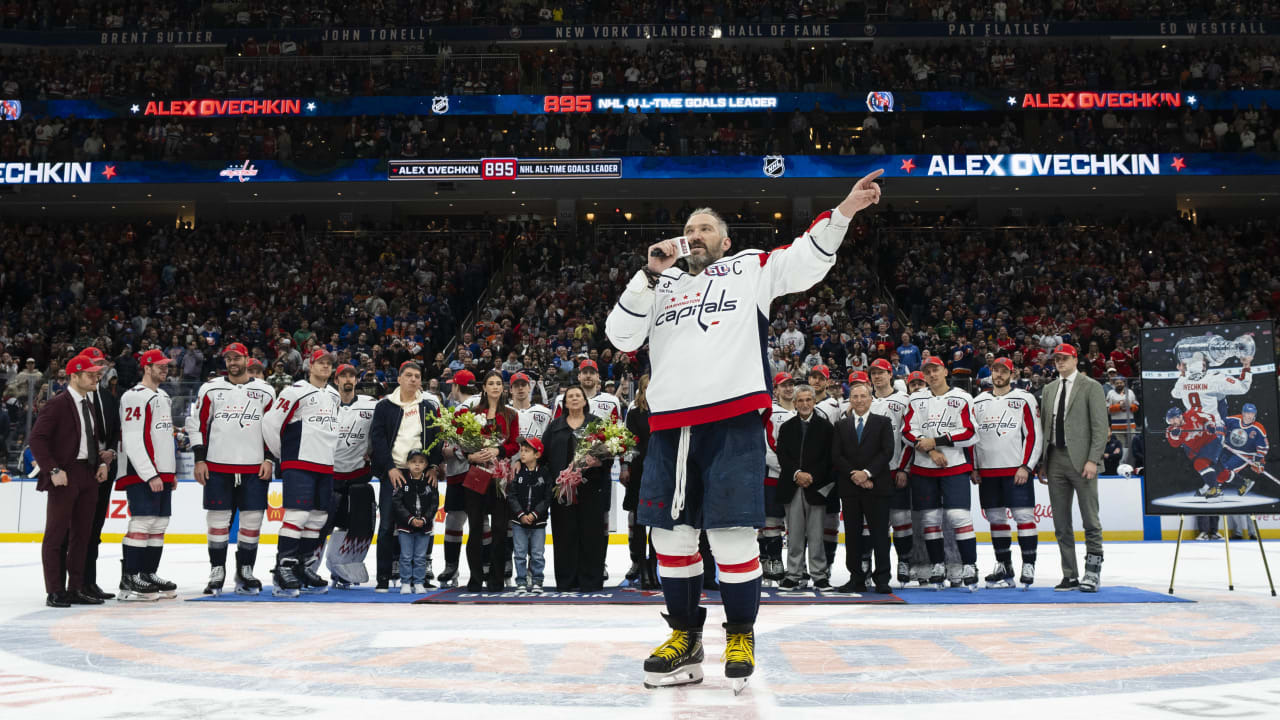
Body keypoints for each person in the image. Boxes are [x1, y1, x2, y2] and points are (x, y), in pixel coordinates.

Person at [606, 171, 883, 692]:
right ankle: (685, 639)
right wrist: (647, 274)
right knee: (669, 536)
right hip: (671, 426)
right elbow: (620, 336)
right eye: (689, 229)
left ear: (725, 241)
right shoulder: (661, 285)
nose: (695, 235)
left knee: (732, 536)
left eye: (706, 228)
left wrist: (844, 210)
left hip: (732, 420)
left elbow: (805, 260)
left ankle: (740, 635)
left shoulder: (748, 268)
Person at [188, 342, 277, 596]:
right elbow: (197, 424)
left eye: (237, 357)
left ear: (247, 359)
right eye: (228, 358)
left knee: (252, 519)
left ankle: (245, 570)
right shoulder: (210, 388)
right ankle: (217, 570)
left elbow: (273, 428)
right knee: (217, 519)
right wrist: (199, 459)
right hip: (217, 465)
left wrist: (269, 459)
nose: (232, 362)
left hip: (254, 466)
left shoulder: (265, 390)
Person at [29, 354, 113, 607]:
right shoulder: (58, 404)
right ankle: (55, 590)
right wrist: (53, 469)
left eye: (97, 374)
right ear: (74, 376)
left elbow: (92, 440)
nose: (96, 378)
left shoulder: (88, 404)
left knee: (82, 535)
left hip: (88, 474)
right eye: (90, 374)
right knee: (56, 535)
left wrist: (100, 464)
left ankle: (75, 587)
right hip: (65, 475)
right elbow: (37, 439)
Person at [262, 348, 341, 597]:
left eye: (329, 363)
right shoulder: (294, 391)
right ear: (310, 365)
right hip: (299, 462)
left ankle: (303, 566)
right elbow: (270, 423)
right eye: (321, 362)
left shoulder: (334, 395)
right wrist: (283, 455)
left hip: (324, 464)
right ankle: (283, 569)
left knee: (317, 518)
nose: (325, 366)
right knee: (297, 516)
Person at [898, 356, 980, 590]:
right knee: (930, 519)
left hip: (954, 466)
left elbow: (970, 433)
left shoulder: (962, 397)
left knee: (958, 516)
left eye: (936, 370)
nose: (932, 374)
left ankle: (969, 565)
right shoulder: (916, 399)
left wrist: (937, 441)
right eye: (927, 371)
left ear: (945, 371)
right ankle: (937, 565)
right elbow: (907, 431)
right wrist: (931, 449)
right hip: (924, 467)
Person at [1038, 343, 1109, 593]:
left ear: (1075, 359)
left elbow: (1100, 427)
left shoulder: (1091, 386)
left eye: (1064, 358)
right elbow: (1045, 427)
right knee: (1061, 522)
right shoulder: (1049, 389)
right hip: (1054, 458)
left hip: (1082, 460)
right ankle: (1069, 574)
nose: (1060, 362)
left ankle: (1093, 572)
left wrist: (1093, 459)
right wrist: (1043, 462)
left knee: (1090, 519)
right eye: (1056, 359)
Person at [370, 361, 444, 591]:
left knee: (424, 522)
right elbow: (378, 440)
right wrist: (389, 468)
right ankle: (383, 576)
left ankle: (422, 574)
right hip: (394, 471)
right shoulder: (385, 406)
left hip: (420, 473)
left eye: (417, 376)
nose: (413, 379)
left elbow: (437, 439)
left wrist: (433, 466)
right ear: (399, 378)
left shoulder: (428, 407)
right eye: (409, 375)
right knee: (387, 525)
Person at [972, 357, 1043, 589]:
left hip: (1016, 470)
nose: (999, 374)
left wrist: (1027, 466)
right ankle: (1004, 565)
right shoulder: (979, 401)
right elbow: (973, 437)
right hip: (988, 471)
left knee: (1024, 517)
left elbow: (1034, 434)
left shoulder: (1024, 398)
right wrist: (974, 466)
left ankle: (1029, 564)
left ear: (1012, 374)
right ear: (991, 373)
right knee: (996, 519)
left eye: (1004, 371)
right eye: (995, 370)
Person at [115, 349, 178, 601]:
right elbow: (132, 438)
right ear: (146, 367)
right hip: (141, 471)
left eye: (166, 365)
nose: (164, 369)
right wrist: (149, 473)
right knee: (142, 521)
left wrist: (169, 472)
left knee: (159, 524)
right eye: (159, 366)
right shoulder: (134, 396)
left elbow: (162, 438)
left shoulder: (163, 395)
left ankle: (148, 573)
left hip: (162, 472)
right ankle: (130, 577)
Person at [831, 376, 895, 594]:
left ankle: (882, 578)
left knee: (880, 535)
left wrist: (867, 474)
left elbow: (887, 452)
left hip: (877, 486)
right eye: (855, 396)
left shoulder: (883, 422)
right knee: (852, 535)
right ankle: (856, 578)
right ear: (850, 399)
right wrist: (855, 475)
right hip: (850, 488)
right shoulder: (841, 425)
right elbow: (836, 455)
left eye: (863, 396)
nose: (859, 400)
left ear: (870, 399)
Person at [65, 347, 119, 601]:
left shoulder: (108, 396)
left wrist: (110, 453)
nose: (99, 369)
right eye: (95, 364)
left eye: (101, 364)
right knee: (76, 529)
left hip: (104, 469)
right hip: (81, 468)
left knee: (95, 528)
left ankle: (89, 582)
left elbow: (114, 430)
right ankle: (70, 584)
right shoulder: (72, 398)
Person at [543, 385, 609, 592]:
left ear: (585, 401)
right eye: (570, 396)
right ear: (564, 403)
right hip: (562, 492)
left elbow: (609, 454)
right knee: (564, 535)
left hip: (591, 489)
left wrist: (599, 462)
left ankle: (591, 580)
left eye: (577, 395)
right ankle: (567, 580)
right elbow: (543, 456)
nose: (574, 398)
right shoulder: (555, 427)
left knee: (591, 534)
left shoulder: (596, 424)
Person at [461, 370, 520, 591]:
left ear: (503, 388)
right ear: (484, 387)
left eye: (498, 383)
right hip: (477, 474)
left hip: (500, 476)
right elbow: (462, 441)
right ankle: (475, 578)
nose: (495, 387)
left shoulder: (511, 414)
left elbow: (515, 444)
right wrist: (470, 455)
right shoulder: (473, 412)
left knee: (499, 529)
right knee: (475, 528)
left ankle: (496, 578)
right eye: (491, 383)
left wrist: (498, 450)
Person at [324, 363, 379, 587]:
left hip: (358, 476)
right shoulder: (325, 404)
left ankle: (342, 568)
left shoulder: (371, 405)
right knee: (321, 525)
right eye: (343, 376)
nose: (348, 379)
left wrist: (374, 452)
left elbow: (383, 432)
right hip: (329, 475)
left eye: (352, 376)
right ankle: (308, 567)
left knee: (353, 526)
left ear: (356, 380)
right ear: (336, 380)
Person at [776, 384, 836, 590]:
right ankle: (794, 574)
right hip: (792, 486)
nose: (804, 404)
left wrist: (812, 477)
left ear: (814, 401)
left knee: (817, 534)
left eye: (808, 400)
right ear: (794, 403)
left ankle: (819, 575)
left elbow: (829, 458)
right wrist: (796, 474)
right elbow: (782, 455)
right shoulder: (786, 427)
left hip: (816, 488)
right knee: (794, 534)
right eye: (800, 400)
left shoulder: (826, 427)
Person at [869, 359, 913, 587]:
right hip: (871, 473)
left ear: (890, 374)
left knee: (901, 520)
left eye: (881, 372)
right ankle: (871, 566)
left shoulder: (904, 400)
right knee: (874, 523)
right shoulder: (864, 400)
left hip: (896, 469)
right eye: (873, 373)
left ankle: (904, 561)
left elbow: (909, 437)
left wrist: (904, 468)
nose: (877, 377)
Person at [622, 375, 659, 590]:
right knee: (638, 520)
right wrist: (625, 466)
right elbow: (628, 442)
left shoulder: (666, 410)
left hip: (662, 472)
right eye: (646, 387)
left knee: (657, 521)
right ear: (641, 390)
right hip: (639, 471)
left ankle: (654, 565)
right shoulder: (635, 413)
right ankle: (640, 564)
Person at [760, 372, 796, 586]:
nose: (788, 388)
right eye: (784, 385)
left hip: (797, 479)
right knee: (772, 520)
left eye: (791, 385)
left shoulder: (802, 410)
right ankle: (774, 561)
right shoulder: (771, 412)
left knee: (795, 523)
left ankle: (796, 566)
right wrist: (789, 470)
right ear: (776, 389)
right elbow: (767, 446)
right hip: (775, 477)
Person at [392, 449, 440, 594]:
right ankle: (406, 582)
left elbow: (434, 503)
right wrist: (410, 519)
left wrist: (425, 519)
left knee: (420, 557)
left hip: (424, 527)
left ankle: (419, 582)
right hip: (405, 527)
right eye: (413, 462)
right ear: (407, 464)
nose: (417, 465)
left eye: (421, 462)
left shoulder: (430, 482)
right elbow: (397, 503)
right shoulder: (402, 481)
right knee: (406, 556)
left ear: (426, 465)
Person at [507, 437, 551, 593]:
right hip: (519, 523)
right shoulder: (518, 472)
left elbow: (547, 498)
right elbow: (511, 496)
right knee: (520, 554)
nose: (522, 454)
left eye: (526, 451)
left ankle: (537, 580)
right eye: (521, 450)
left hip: (538, 523)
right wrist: (520, 514)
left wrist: (534, 514)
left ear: (537, 454)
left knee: (537, 554)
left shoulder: (545, 473)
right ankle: (521, 581)